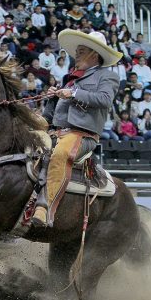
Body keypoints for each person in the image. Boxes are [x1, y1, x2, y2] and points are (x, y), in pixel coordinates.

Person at [33, 29, 122, 227]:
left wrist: (73, 93)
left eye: (82, 51)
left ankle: (45, 207)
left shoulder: (107, 76)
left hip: (83, 135)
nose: (77, 54)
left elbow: (105, 99)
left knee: (60, 154)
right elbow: (49, 117)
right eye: (78, 51)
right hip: (56, 131)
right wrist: (49, 101)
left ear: (95, 55)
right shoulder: (68, 79)